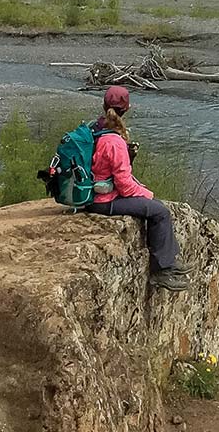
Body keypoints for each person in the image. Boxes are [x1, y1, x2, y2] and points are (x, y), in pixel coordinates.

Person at [86, 85, 190, 291]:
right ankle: (161, 271)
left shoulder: (94, 128)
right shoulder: (114, 141)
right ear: (127, 108)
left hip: (91, 194)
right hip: (102, 201)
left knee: (155, 207)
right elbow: (124, 186)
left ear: (104, 105)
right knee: (159, 211)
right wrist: (147, 194)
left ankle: (168, 261)